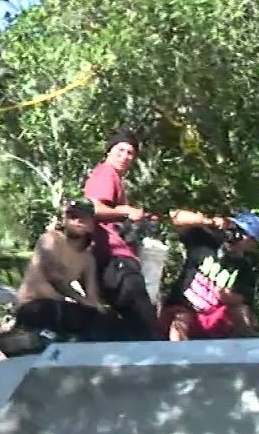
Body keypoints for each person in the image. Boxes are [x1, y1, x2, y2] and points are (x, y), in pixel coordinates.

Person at [82, 129, 163, 340]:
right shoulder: (106, 173)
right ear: (109, 151)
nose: (125, 156)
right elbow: (94, 209)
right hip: (114, 259)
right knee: (146, 323)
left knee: (132, 326)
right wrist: (127, 211)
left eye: (130, 153)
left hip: (115, 259)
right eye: (120, 150)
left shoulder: (114, 178)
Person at [14, 198, 128, 340]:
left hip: (59, 308)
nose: (78, 221)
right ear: (65, 221)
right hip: (33, 306)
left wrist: (101, 310)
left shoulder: (88, 258)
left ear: (92, 225)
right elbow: (54, 277)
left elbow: (91, 297)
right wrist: (80, 300)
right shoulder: (51, 239)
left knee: (111, 323)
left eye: (83, 218)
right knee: (76, 316)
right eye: (73, 217)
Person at [160, 209, 259, 340]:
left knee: (242, 312)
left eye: (244, 235)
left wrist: (226, 294)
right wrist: (210, 222)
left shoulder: (246, 268)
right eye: (236, 230)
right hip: (182, 309)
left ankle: (247, 349)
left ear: (252, 244)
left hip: (212, 318)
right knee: (181, 320)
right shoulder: (207, 242)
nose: (237, 236)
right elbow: (175, 216)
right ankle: (180, 356)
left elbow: (240, 299)